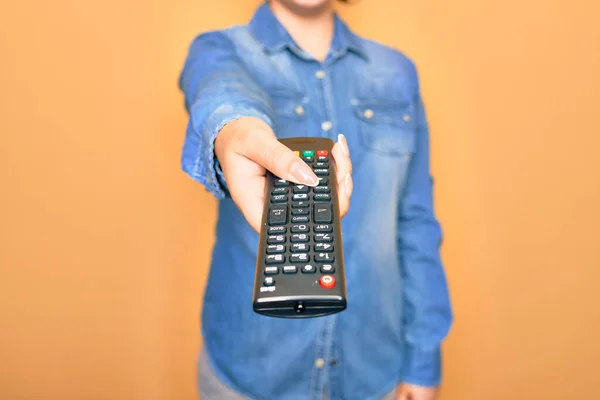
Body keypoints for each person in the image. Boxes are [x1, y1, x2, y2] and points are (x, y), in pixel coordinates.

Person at [178, 1, 453, 399]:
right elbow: (221, 89)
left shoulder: (397, 73)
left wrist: (424, 360)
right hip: (249, 373)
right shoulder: (219, 50)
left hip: (374, 372)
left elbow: (415, 226)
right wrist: (235, 129)